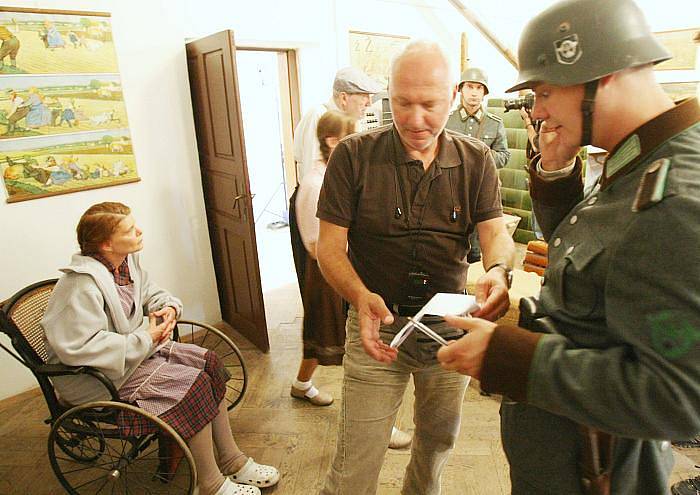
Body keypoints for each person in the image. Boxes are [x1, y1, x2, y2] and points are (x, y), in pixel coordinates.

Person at [436, 0, 700, 493]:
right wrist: (556, 176)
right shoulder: (638, 159)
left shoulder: (679, 195)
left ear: (601, 77)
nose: (536, 111)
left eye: (543, 91)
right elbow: (597, 261)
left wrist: (510, 358)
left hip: (596, 470)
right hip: (561, 451)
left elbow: (679, 399)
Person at [316, 41, 515, 494]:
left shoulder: (476, 159)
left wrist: (498, 269)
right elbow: (329, 248)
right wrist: (359, 296)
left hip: (448, 327)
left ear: (452, 98)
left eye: (429, 104)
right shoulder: (352, 155)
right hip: (376, 328)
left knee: (436, 447)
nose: (415, 119)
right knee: (354, 465)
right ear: (388, 96)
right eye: (403, 103)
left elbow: (494, 233)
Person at [41, 202, 280, 495]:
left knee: (210, 364)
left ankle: (232, 459)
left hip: (131, 358)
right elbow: (78, 347)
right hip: (93, 377)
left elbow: (151, 292)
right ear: (106, 243)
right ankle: (210, 483)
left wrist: (167, 307)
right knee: (192, 387)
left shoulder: (126, 263)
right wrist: (147, 338)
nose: (139, 230)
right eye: (130, 229)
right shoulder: (80, 286)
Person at [290, 110, 357, 407]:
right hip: (326, 271)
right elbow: (315, 244)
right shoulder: (315, 184)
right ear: (332, 141)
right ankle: (370, 414)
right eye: (349, 139)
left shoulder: (332, 174)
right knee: (345, 342)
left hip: (335, 265)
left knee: (321, 336)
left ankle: (301, 384)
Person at [446, 67, 510, 263]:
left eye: (479, 88)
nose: (474, 92)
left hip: (482, 191)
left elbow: (504, 155)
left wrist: (481, 157)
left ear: (484, 93)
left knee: (477, 246)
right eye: (470, 87)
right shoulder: (448, 121)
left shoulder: (494, 123)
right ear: (460, 90)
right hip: (451, 189)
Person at [293, 66, 382, 181]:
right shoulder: (317, 115)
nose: (369, 103)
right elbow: (311, 171)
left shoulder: (353, 122)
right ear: (344, 98)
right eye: (364, 96)